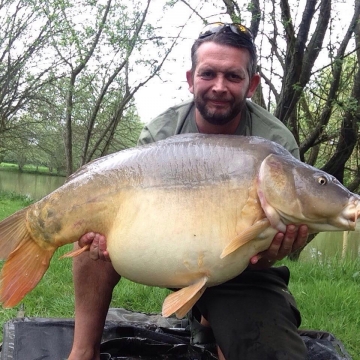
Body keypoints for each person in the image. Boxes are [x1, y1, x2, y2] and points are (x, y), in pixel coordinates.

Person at [68, 22, 309, 360]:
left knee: (267, 351)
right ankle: (83, 350)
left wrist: (273, 251)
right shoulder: (162, 131)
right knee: (92, 235)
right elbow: (132, 210)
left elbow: (277, 241)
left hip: (240, 265)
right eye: (208, 73)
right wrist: (107, 234)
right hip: (168, 247)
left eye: (234, 77)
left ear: (252, 84)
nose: (219, 87)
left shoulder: (275, 144)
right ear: (191, 77)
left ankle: (214, 317)